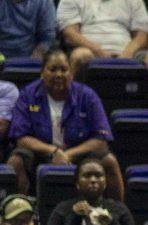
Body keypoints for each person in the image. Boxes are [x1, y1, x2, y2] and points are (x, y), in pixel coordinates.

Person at [6, 49, 125, 200]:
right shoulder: (28, 95)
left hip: (78, 154)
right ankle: (17, 215)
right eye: (53, 69)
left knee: (109, 161)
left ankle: (117, 215)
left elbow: (101, 139)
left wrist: (68, 154)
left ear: (71, 73)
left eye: (64, 69)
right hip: (41, 154)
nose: (58, 74)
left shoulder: (87, 95)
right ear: (42, 73)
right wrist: (54, 151)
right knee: (16, 161)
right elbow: (22, 139)